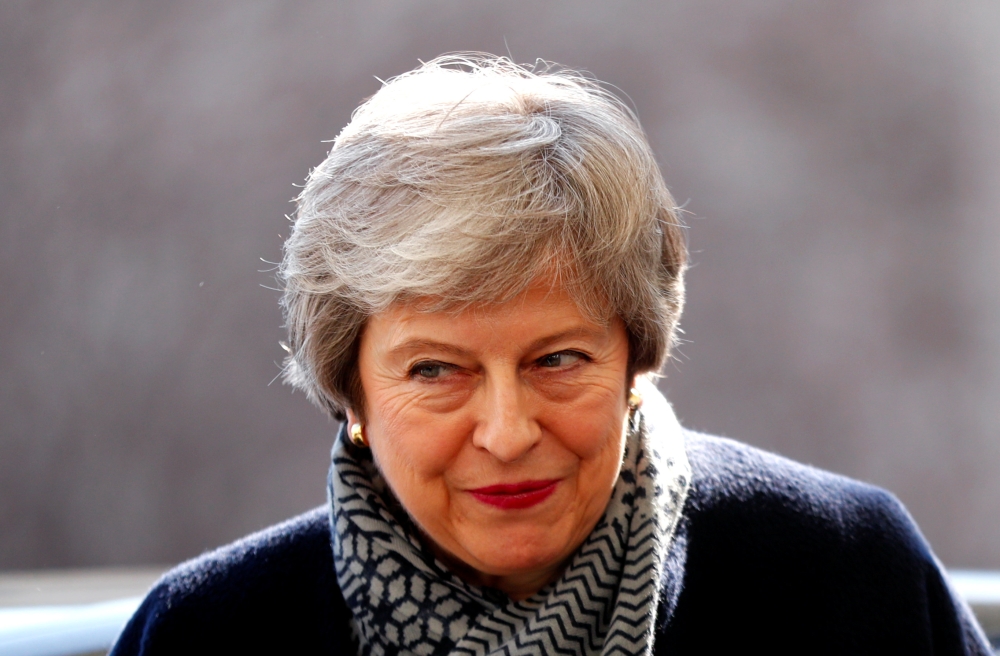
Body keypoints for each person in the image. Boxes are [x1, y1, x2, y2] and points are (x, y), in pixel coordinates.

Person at [110, 55, 991, 655]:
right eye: (435, 370)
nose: (506, 431)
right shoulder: (208, 634)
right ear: (351, 392)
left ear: (636, 356)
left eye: (559, 359)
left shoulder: (844, 575)